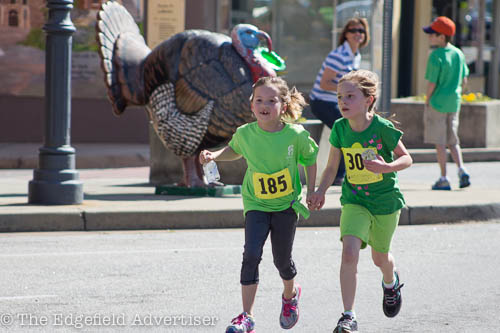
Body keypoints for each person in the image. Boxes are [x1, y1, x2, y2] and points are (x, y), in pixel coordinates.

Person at [199, 76, 318, 332]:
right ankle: (247, 316)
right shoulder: (245, 133)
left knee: (282, 261)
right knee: (251, 254)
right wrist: (215, 155)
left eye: (271, 100)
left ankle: (290, 295)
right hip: (255, 202)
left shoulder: (295, 135)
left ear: (283, 105)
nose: (264, 105)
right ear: (252, 105)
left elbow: (310, 158)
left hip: (286, 205)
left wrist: (313, 188)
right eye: (259, 100)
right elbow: (234, 149)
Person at [308, 70, 413, 332]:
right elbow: (332, 167)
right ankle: (348, 316)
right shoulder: (340, 129)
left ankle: (390, 282)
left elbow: (407, 158)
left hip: (385, 202)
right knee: (349, 252)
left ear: (369, 99)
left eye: (350, 96)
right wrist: (320, 190)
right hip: (355, 200)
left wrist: (385, 167)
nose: (343, 102)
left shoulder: (382, 128)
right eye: (340, 96)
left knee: (380, 258)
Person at [310, 17, 370, 185]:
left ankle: (359, 171)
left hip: (339, 102)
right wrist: (349, 92)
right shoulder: (338, 55)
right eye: (353, 31)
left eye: (361, 31)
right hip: (322, 102)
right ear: (346, 34)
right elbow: (324, 83)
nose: (358, 34)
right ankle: (340, 176)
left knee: (359, 127)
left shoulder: (355, 55)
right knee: (347, 130)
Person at [422, 16, 471, 190]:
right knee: (453, 140)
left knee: (440, 142)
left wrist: (427, 100)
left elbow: (432, 83)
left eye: (432, 34)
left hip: (438, 103)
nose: (429, 36)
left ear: (442, 37)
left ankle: (444, 178)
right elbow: (464, 80)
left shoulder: (435, 55)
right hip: (454, 102)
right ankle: (462, 170)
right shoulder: (458, 53)